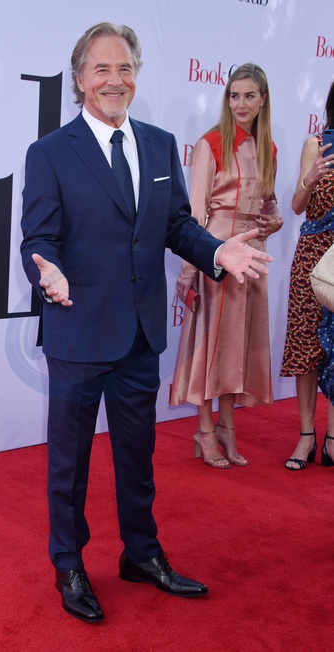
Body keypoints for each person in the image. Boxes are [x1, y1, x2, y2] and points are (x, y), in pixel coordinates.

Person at [20, 24, 272, 623]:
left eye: (125, 68)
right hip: (78, 331)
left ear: (136, 76)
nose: (115, 80)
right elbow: (38, 239)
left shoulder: (159, 146)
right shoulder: (49, 152)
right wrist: (47, 274)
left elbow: (176, 224)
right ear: (79, 79)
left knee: (138, 457)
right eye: (102, 69)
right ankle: (69, 564)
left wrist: (216, 251)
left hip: (139, 335)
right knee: (69, 464)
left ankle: (141, 553)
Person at [170, 64, 283, 469]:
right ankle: (204, 429)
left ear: (263, 100)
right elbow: (194, 214)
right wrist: (190, 272)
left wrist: (274, 219)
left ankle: (227, 428)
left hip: (251, 258)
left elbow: (269, 203)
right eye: (234, 95)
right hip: (215, 254)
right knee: (210, 347)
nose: (240, 103)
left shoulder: (268, 148)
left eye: (249, 96)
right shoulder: (211, 143)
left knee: (238, 350)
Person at [280, 81, 334, 471]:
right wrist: (310, 177)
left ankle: (332, 440)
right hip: (312, 258)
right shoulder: (316, 145)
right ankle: (306, 437)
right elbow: (297, 206)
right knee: (304, 347)